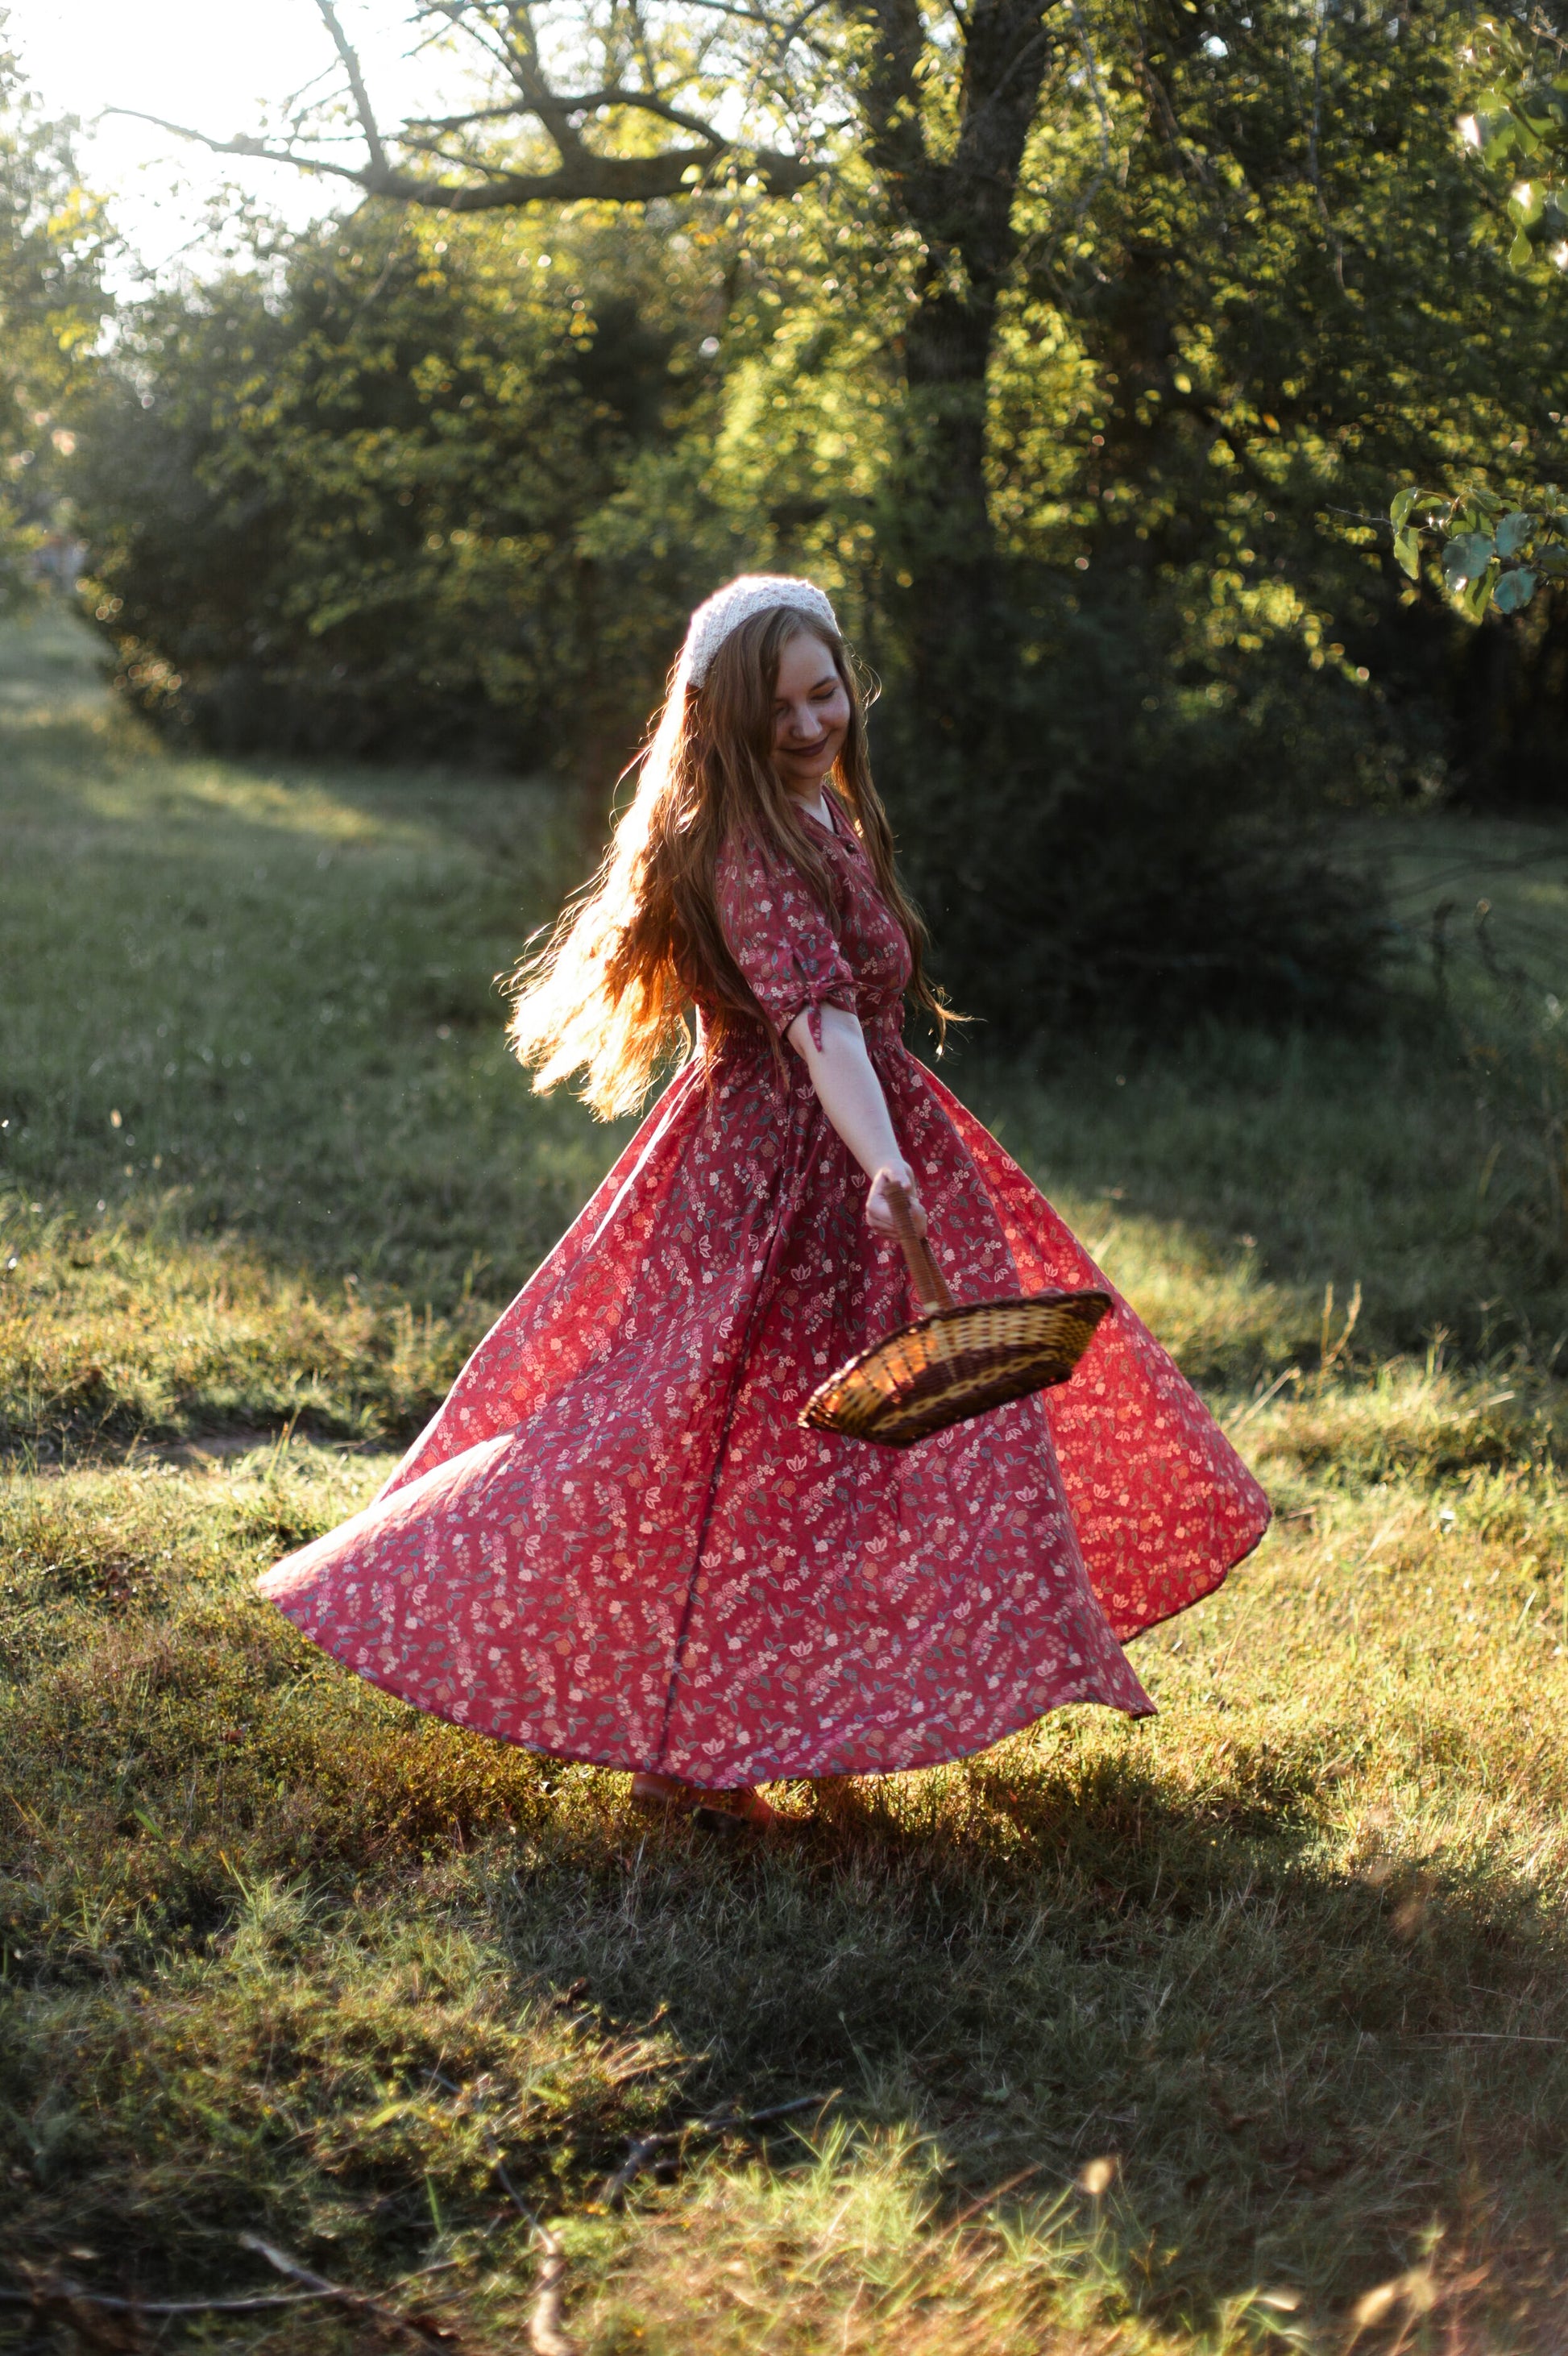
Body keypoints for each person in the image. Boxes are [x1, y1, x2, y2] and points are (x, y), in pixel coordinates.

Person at [259, 575, 1270, 1827]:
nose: (807, 723)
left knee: (856, 1460)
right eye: (776, 705)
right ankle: (679, 1750)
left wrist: (890, 1153)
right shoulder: (745, 845)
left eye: (822, 692)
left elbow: (859, 1016)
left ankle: (819, 1727)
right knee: (712, 1442)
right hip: (780, 1180)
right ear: (716, 716)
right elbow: (820, 1024)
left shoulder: (828, 817)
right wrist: (879, 1159)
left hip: (862, 1158)